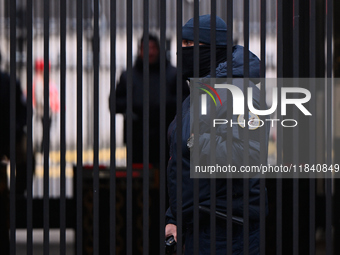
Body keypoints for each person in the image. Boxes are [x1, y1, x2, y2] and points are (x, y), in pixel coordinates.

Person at [165, 14, 269, 254]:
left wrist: (195, 141)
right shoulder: (201, 91)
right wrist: (175, 216)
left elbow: (249, 155)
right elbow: (182, 163)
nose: (183, 51)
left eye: (190, 44)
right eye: (182, 44)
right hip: (198, 224)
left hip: (228, 228)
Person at [112, 34, 189, 166]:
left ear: (159, 50)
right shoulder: (129, 76)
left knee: (165, 177)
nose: (150, 52)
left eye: (153, 48)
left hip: (166, 137)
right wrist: (134, 106)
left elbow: (186, 102)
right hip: (137, 138)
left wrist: (164, 104)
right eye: (145, 48)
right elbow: (114, 103)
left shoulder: (173, 74)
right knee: (138, 178)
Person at [33, 59, 60, 152]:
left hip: (48, 110)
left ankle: (44, 150)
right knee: (45, 132)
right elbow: (39, 97)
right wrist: (48, 104)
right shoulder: (39, 81)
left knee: (46, 132)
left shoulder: (45, 80)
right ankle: (43, 150)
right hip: (44, 110)